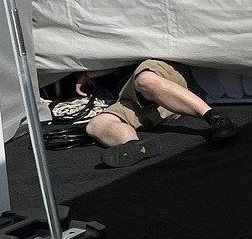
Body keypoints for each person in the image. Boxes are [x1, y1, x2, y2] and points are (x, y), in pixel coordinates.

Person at [75, 59, 238, 167]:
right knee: (96, 125)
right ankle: (133, 146)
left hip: (156, 68)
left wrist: (93, 72)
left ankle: (215, 118)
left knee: (145, 80)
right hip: (130, 95)